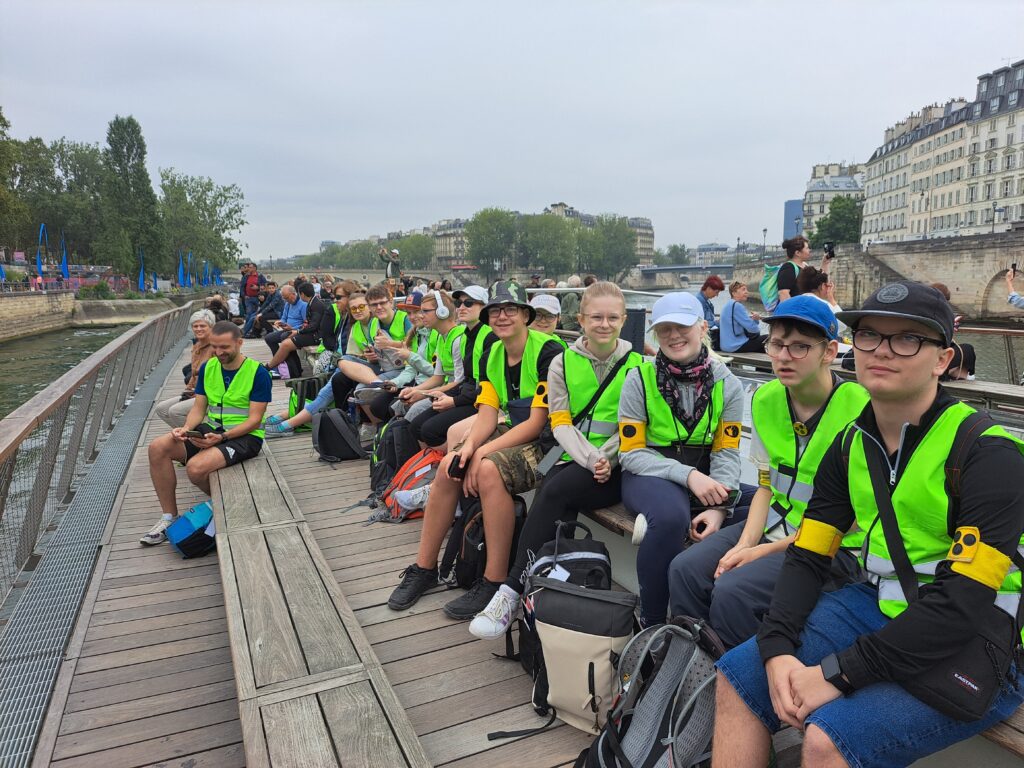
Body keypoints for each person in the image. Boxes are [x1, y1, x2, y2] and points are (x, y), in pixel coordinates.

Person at [712, 281, 1024, 768]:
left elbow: (963, 603)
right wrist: (776, 649)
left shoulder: (987, 453)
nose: (882, 351)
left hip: (983, 637)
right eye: (870, 336)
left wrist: (837, 674)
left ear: (942, 360)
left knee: (826, 740)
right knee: (738, 675)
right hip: (881, 603)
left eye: (907, 339)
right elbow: (808, 556)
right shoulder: (852, 444)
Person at [668, 296, 868, 649]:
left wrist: (755, 554)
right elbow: (765, 485)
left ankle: (740, 685)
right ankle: (693, 668)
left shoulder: (861, 409)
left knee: (733, 591)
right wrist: (745, 544)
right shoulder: (766, 398)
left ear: (830, 351)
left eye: (800, 347)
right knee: (684, 571)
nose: (783, 356)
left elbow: (854, 521)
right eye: (776, 344)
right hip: (776, 528)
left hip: (835, 550)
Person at [469, 282, 642, 639]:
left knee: (554, 490)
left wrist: (604, 458)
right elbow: (559, 422)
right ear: (581, 320)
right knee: (554, 490)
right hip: (576, 455)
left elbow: (633, 426)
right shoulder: (562, 362)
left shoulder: (639, 366)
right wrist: (590, 457)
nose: (604, 324)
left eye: (612, 317)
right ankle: (546, 601)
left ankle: (513, 590)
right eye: (596, 317)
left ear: (624, 320)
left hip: (619, 461)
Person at [385, 281, 563, 620]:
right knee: (450, 463)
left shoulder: (548, 352)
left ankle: (494, 580)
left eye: (511, 309)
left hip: (552, 444)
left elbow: (537, 423)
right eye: (496, 310)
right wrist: (467, 448)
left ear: (526, 316)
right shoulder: (493, 352)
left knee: (487, 469)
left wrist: (481, 453)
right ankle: (424, 568)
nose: (503, 316)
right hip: (517, 431)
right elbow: (487, 412)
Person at [617, 292, 749, 628]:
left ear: (703, 327)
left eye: (683, 326)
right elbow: (631, 453)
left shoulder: (728, 385)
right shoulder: (639, 380)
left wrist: (722, 507)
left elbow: (727, 451)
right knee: (671, 517)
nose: (674, 336)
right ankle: (652, 620)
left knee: (767, 505)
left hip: (706, 472)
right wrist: (689, 476)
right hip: (651, 472)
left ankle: (712, 607)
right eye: (664, 330)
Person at [140, 321, 271, 545]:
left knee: (195, 468)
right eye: (215, 347)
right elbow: (199, 408)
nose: (219, 352)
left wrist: (222, 438)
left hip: (245, 437)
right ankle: (169, 517)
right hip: (212, 430)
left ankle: (226, 505)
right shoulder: (209, 367)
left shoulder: (257, 373)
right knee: (158, 447)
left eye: (225, 347)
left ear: (239, 343)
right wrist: (185, 430)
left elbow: (254, 420)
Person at [409, 285, 496, 450]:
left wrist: (453, 401)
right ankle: (441, 460)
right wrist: (440, 393)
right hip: (469, 394)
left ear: (484, 307)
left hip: (482, 401)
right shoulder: (465, 337)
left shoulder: (489, 337)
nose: (462, 307)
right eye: (459, 303)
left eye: (469, 303)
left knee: (430, 430)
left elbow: (486, 387)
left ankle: (452, 460)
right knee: (416, 426)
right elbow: (465, 380)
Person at [154, 310, 216, 427]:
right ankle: (188, 438)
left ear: (211, 327)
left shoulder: (216, 347)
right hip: (196, 392)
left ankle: (198, 439)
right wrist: (188, 391)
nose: (198, 329)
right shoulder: (197, 346)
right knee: (161, 409)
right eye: (195, 326)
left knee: (175, 411)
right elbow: (193, 375)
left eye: (202, 326)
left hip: (211, 396)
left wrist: (199, 393)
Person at [264, 282, 332, 377]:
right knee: (283, 340)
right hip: (312, 333)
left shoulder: (315, 305)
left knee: (286, 341)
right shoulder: (312, 302)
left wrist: (297, 331)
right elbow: (309, 323)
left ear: (302, 294)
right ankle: (286, 368)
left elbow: (313, 325)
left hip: (317, 336)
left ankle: (270, 367)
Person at [263, 285, 308, 378]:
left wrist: (292, 327)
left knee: (285, 338)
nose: (285, 300)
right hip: (287, 329)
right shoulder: (288, 303)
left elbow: (306, 323)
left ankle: (293, 369)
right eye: (283, 298)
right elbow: (284, 317)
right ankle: (280, 363)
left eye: (286, 297)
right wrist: (280, 322)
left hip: (297, 331)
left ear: (293, 294)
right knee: (269, 338)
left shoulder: (303, 305)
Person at [719, 281, 765, 353]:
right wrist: (756, 319)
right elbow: (753, 329)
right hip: (735, 346)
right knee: (769, 338)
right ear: (734, 293)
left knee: (762, 347)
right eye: (743, 289)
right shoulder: (737, 306)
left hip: (726, 346)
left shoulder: (728, 304)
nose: (747, 292)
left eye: (746, 289)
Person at [777, 236, 812, 303]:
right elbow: (783, 294)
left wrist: (825, 263)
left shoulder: (805, 265)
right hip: (795, 312)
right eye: (807, 248)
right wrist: (794, 311)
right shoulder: (788, 268)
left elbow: (818, 282)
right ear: (797, 253)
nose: (809, 250)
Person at [240, 262, 267, 336]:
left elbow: (265, 286)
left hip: (258, 298)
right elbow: (242, 287)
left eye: (251, 267)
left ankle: (251, 330)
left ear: (255, 268)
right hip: (248, 298)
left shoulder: (260, 276)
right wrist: (244, 295)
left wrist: (257, 288)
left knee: (254, 315)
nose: (249, 269)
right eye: (249, 267)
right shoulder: (246, 276)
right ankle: (247, 330)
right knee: (249, 314)